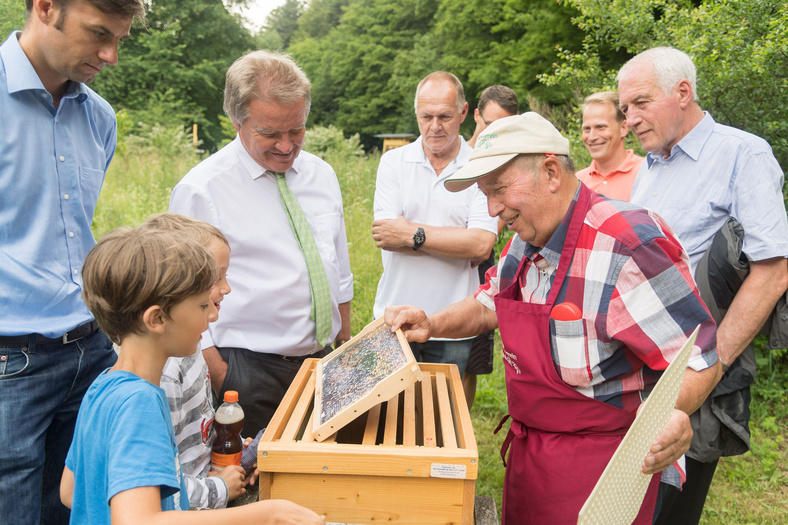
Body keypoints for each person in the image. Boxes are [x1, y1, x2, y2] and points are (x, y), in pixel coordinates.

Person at [385, 112, 722, 524]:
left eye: (498, 190)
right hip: (532, 457)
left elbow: (700, 358)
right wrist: (431, 323)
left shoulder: (630, 244)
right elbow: (487, 303)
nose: (493, 210)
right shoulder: (527, 239)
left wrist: (673, 412)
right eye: (483, 195)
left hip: (603, 473)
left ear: (549, 172)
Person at [617, 46, 788, 525]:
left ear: (683, 93)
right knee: (634, 496)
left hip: (701, 365)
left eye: (640, 103)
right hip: (644, 361)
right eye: (624, 108)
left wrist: (712, 366)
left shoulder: (743, 153)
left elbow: (773, 271)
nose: (629, 118)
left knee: (672, 506)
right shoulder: (651, 164)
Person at [60, 226, 324, 524]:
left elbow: (70, 490)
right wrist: (267, 513)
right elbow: (137, 520)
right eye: (201, 306)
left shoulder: (103, 386)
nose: (212, 315)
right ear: (157, 318)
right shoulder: (141, 402)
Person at [0, 0, 145, 523]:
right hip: (9, 364)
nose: (109, 55)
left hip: (89, 350)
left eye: (119, 39)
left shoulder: (100, 117)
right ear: (45, 8)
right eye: (98, 33)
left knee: (82, 510)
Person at [169, 50, 353, 436]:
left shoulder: (322, 174)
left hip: (323, 361)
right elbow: (180, 295)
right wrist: (222, 375)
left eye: (297, 130)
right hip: (247, 371)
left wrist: (343, 339)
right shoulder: (201, 189)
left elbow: (337, 261)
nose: (286, 146)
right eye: (270, 133)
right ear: (237, 121)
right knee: (254, 488)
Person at [371, 71, 498, 378]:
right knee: (393, 418)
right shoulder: (394, 162)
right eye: (426, 116)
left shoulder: (482, 164)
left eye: (445, 116)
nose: (435, 126)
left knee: (444, 419)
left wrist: (410, 235)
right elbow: (387, 236)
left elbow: (481, 245)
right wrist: (457, 244)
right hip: (394, 316)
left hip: (454, 320)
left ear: (464, 112)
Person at [140, 213, 247, 509]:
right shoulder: (164, 373)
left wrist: (229, 452)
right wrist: (221, 487)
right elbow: (164, 491)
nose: (226, 288)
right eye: (216, 278)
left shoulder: (189, 345)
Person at [463, 85, 518, 409]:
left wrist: (480, 238)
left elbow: (484, 239)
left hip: (480, 265)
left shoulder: (507, 162)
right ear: (475, 116)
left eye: (504, 128)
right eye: (489, 125)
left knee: (471, 356)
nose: (494, 135)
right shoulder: (456, 157)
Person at [575, 91, 643, 201]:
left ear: (623, 128)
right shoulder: (577, 183)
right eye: (587, 129)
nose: (592, 137)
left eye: (601, 127)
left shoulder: (645, 174)